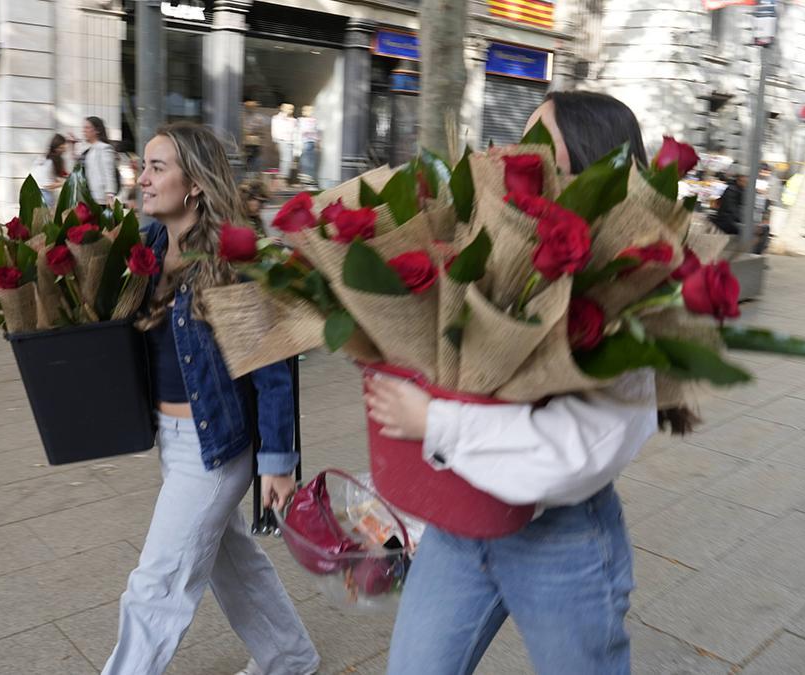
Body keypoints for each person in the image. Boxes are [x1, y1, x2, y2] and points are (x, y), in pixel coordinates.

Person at [368, 91, 665, 675]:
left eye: (537, 150)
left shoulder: (634, 294)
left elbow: (579, 451)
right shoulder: (501, 259)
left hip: (562, 539)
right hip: (458, 529)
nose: (512, 161)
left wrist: (436, 422)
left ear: (595, 175)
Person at [103, 122, 319, 675]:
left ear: (194, 183)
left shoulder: (232, 257)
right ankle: (290, 657)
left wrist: (278, 463)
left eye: (157, 167)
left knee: (158, 582)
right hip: (171, 441)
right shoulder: (148, 247)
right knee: (233, 564)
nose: (142, 179)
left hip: (216, 448)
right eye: (143, 166)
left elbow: (272, 370)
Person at [77, 116, 119, 206]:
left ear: (97, 130)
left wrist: (110, 194)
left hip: (99, 198)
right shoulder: (88, 149)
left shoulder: (104, 148)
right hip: (87, 197)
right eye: (84, 128)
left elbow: (109, 172)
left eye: (87, 127)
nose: (84, 130)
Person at [31, 134, 70, 206]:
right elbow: (49, 185)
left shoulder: (42, 158)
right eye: (62, 148)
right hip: (45, 195)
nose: (64, 150)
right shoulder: (54, 161)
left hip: (33, 194)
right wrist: (65, 183)